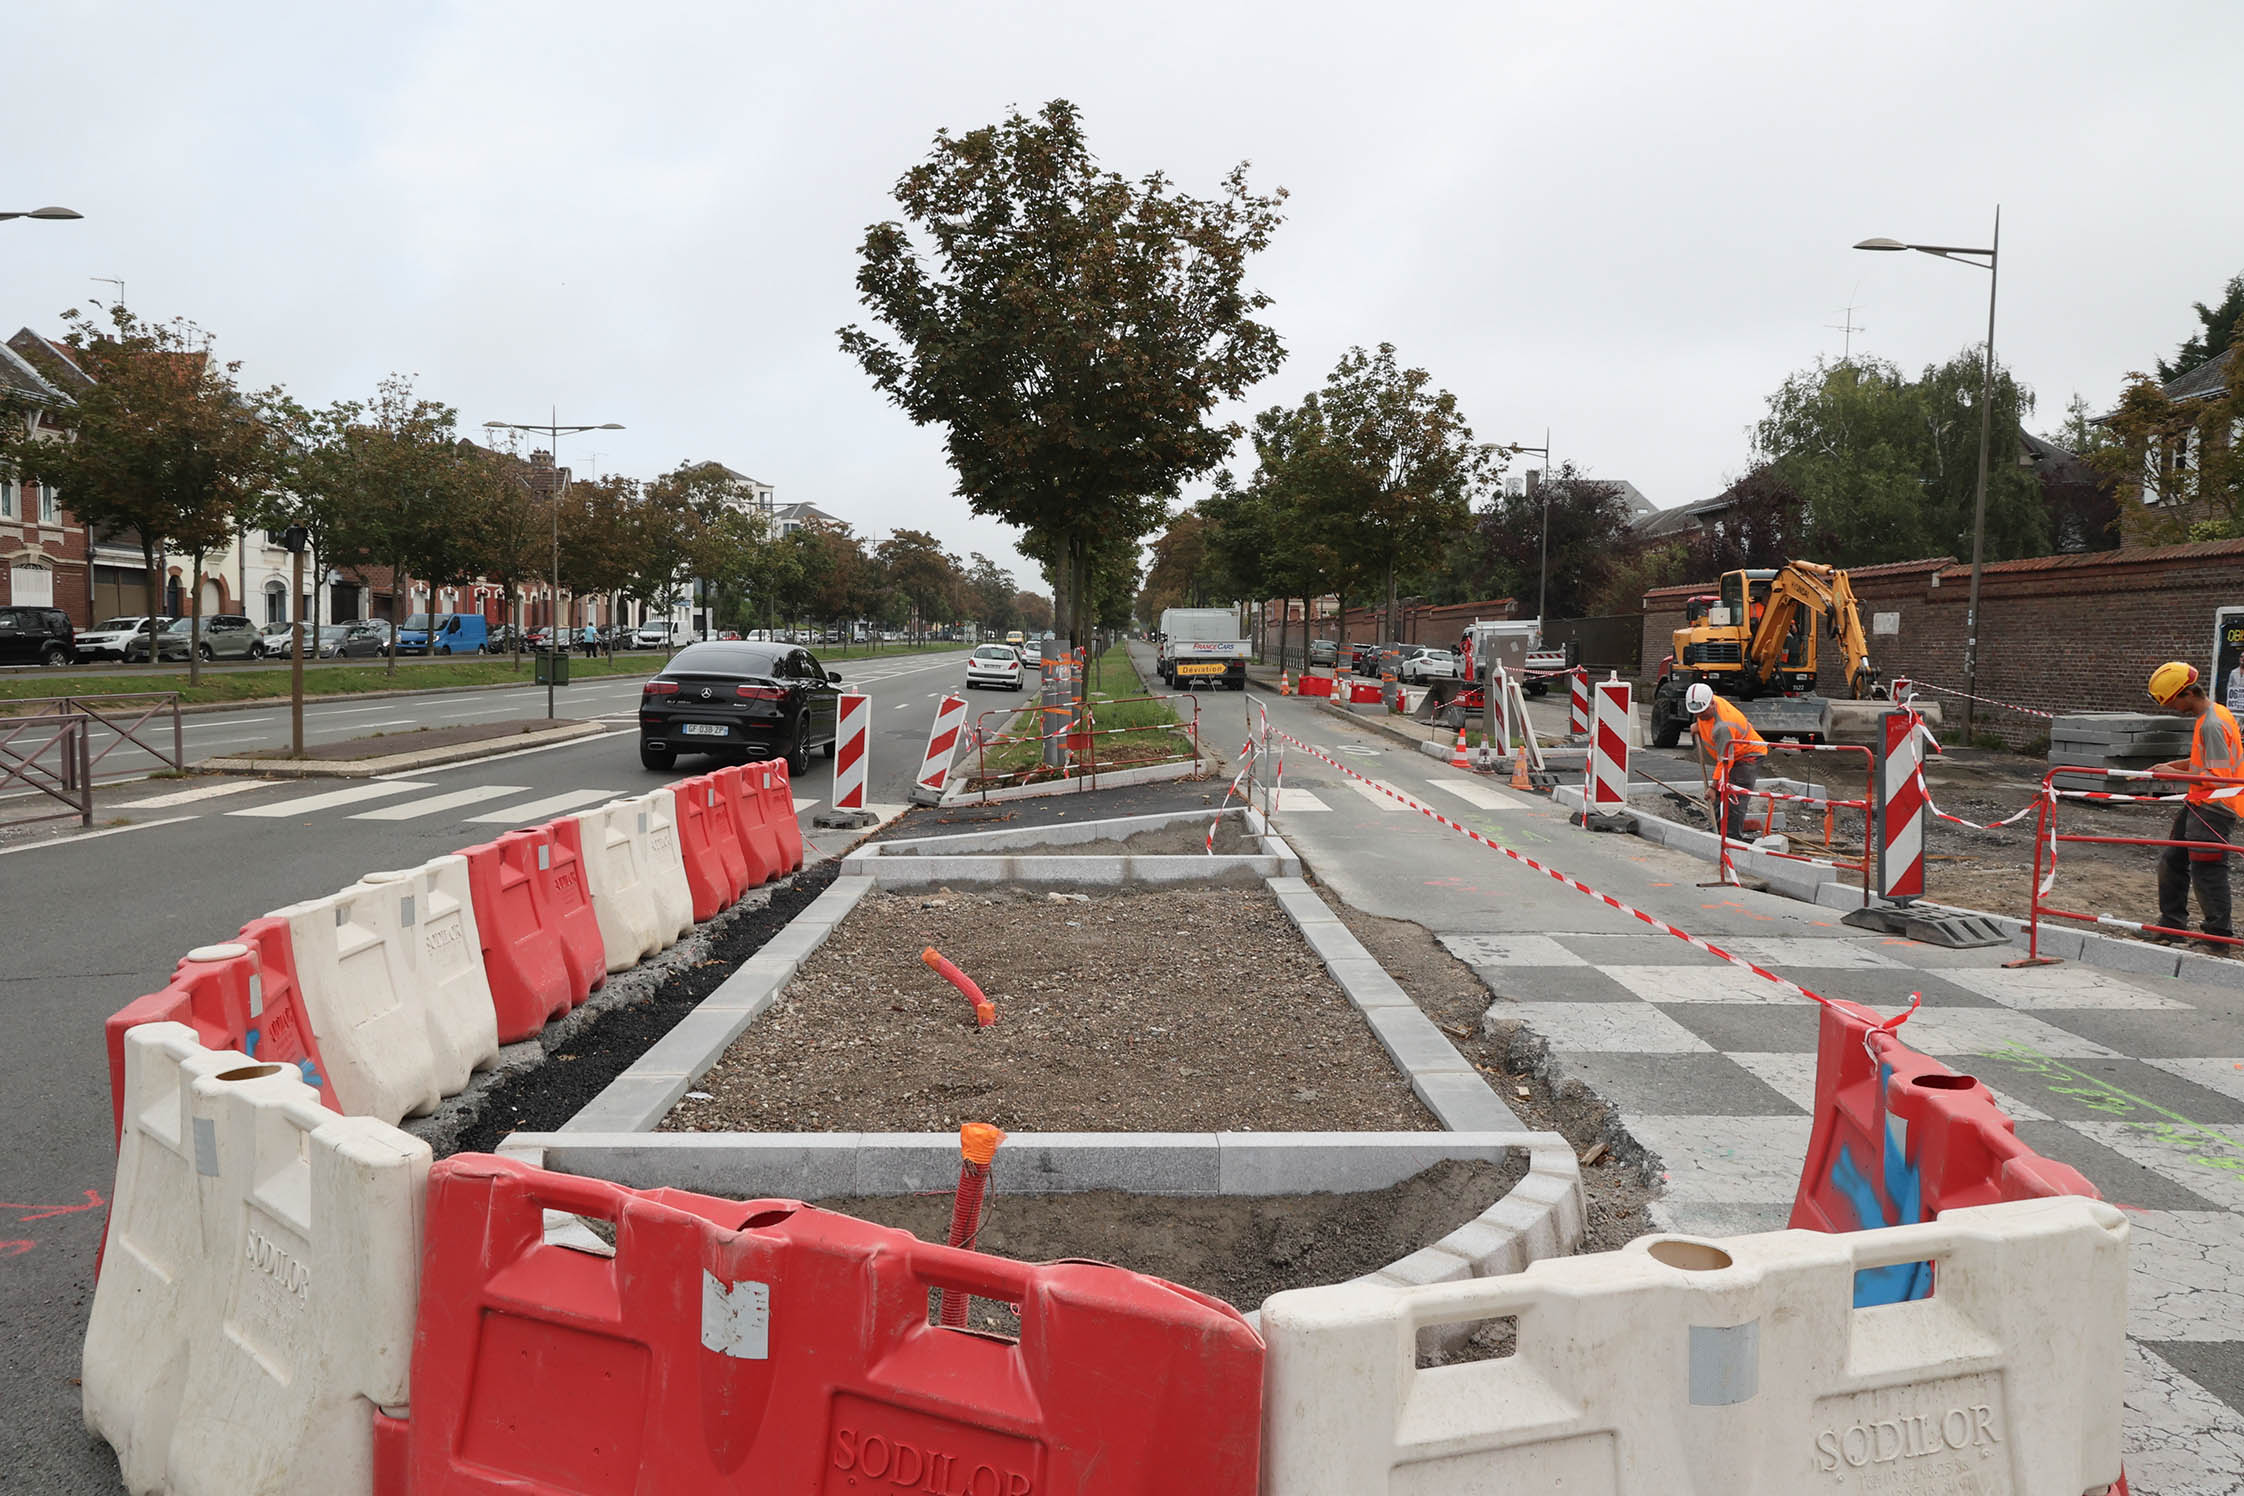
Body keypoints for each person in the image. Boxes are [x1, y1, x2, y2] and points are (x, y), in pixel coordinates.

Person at [2146, 661, 2241, 951]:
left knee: (2207, 870)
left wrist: (2176, 775)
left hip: (2215, 806)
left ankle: (2218, 937)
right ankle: (2172, 926)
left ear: (2186, 694)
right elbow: (2208, 763)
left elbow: (2219, 778)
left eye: (2173, 701)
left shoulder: (2212, 724)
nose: (2173, 707)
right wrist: (2172, 766)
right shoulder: (2212, 715)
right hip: (2199, 803)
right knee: (2173, 860)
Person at [1685, 681, 1769, 842]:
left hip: (1748, 755)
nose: (1699, 716)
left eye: (1702, 713)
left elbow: (1725, 761)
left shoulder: (1722, 726)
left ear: (1711, 703)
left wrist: (1713, 786)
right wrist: (1699, 725)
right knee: (1720, 795)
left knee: (1734, 797)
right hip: (1731, 754)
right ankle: (1718, 831)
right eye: (1696, 713)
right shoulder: (1707, 703)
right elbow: (1704, 717)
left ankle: (1731, 839)